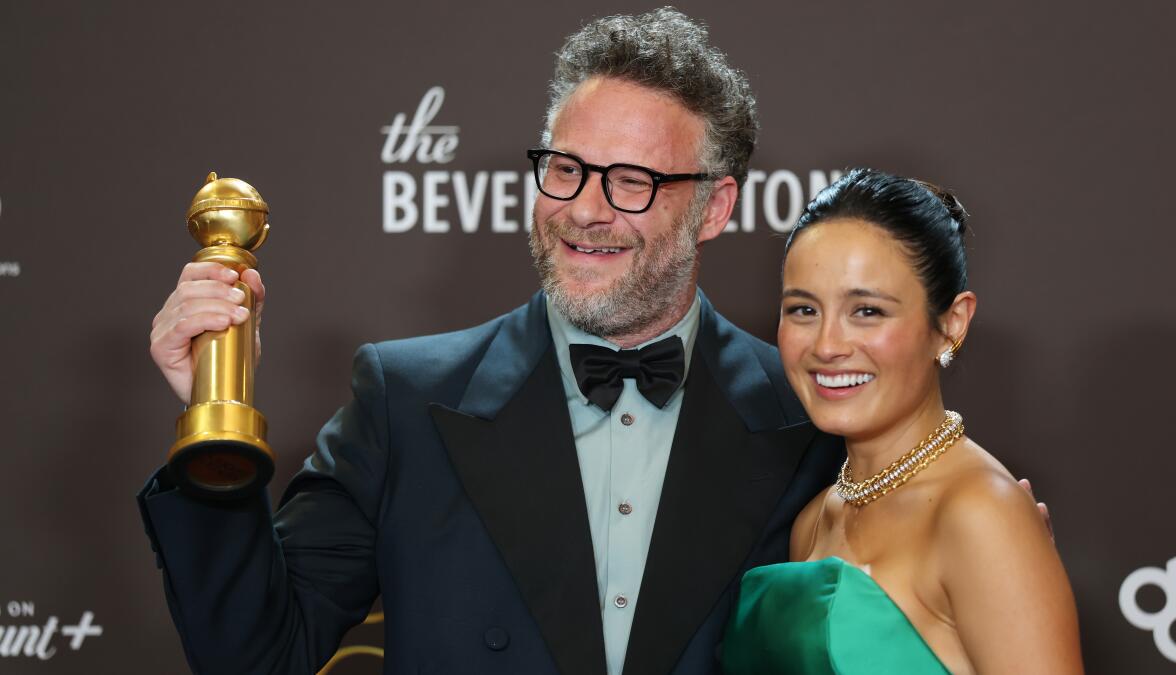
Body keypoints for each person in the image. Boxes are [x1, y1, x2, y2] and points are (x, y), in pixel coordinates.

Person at [139, 8, 845, 675]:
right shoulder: (404, 402)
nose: (584, 210)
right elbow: (257, 656)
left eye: (631, 181)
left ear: (714, 208)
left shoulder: (808, 417)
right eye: (566, 169)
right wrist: (214, 414)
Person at [721, 169, 1083, 674]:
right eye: (803, 310)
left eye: (867, 311)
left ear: (951, 324)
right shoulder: (816, 517)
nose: (827, 345)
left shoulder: (980, 514)